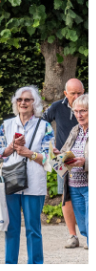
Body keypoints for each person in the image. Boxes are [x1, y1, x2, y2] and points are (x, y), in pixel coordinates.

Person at [0, 86, 54, 264]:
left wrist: (29, 153)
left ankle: (35, 265)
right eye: (19, 99)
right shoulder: (7, 125)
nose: (23, 102)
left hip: (34, 184)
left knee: (33, 229)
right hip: (11, 182)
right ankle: (10, 264)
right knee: (11, 228)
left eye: (27, 99)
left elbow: (50, 159)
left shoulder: (45, 126)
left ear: (35, 103)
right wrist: (11, 148)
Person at [43, 78, 85, 248]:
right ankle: (72, 236)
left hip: (86, 157)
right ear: (65, 93)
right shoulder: (57, 107)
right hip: (62, 158)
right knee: (66, 197)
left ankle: (90, 234)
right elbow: (41, 124)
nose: (76, 96)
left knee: (88, 194)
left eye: (79, 93)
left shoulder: (90, 105)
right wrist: (49, 144)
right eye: (72, 93)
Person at [55, 93, 88, 248]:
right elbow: (65, 151)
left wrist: (85, 162)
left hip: (89, 184)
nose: (79, 115)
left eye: (83, 111)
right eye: (76, 111)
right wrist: (59, 155)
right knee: (82, 223)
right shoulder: (75, 130)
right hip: (73, 185)